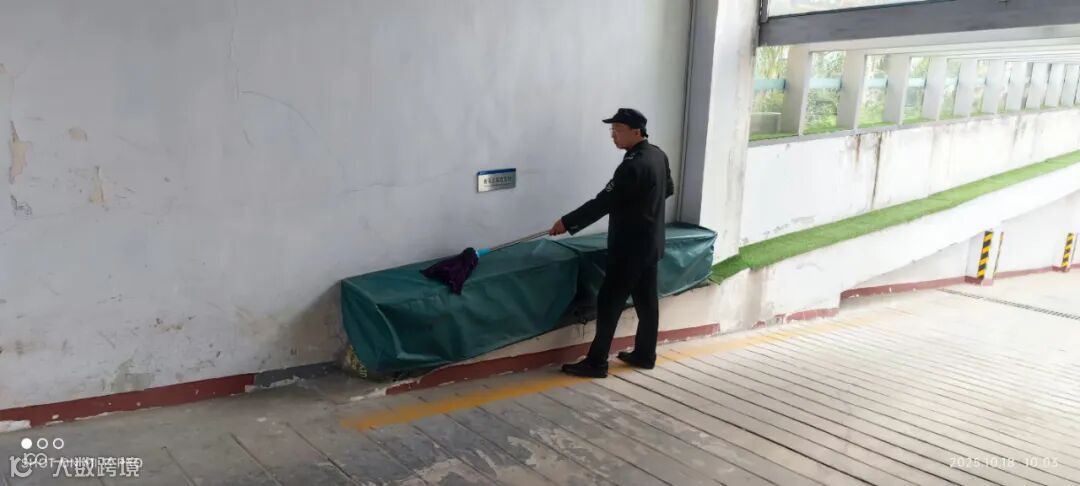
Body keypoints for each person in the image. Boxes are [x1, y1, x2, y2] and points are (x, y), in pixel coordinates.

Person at [549, 108, 674, 378]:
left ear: (636, 132)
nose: (612, 135)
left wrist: (567, 222)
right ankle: (645, 354)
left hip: (629, 249)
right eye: (612, 129)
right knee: (647, 303)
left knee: (609, 302)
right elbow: (668, 190)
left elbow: (603, 202)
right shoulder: (658, 155)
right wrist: (643, 210)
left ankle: (596, 362)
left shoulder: (632, 166)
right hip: (651, 244)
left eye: (618, 130)